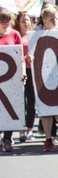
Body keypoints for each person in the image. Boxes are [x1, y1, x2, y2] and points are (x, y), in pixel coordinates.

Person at [38, 5, 58, 152]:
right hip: (43, 75)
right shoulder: (37, 34)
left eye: (56, 17)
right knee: (46, 108)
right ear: (44, 21)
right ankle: (47, 138)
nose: (55, 20)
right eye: (52, 19)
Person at [0, 8, 25, 152]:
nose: (5, 23)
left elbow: (20, 56)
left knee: (9, 108)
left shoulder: (15, 34)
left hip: (10, 77)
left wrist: (22, 72)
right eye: (2, 20)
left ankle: (8, 139)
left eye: (7, 20)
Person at [13, 11, 36, 143]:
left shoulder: (34, 35)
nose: (26, 23)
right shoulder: (16, 36)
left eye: (28, 20)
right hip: (20, 72)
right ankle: (21, 129)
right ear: (18, 23)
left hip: (32, 70)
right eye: (23, 21)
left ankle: (29, 129)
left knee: (31, 101)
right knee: (21, 101)